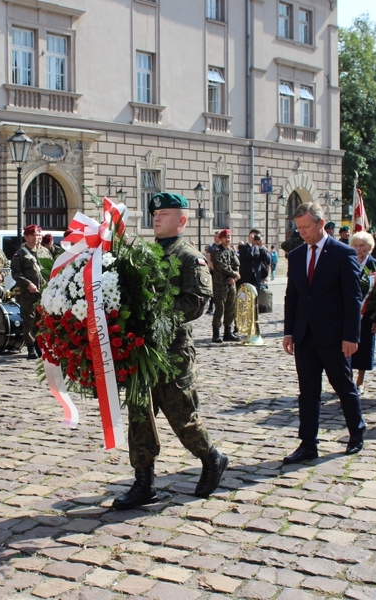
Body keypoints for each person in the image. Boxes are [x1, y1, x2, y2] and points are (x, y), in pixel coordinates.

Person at [113, 191, 228, 510]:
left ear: (182, 220)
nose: (157, 217)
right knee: (139, 415)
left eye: (164, 213)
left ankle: (212, 458)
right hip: (141, 349)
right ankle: (143, 483)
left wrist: (154, 311)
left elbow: (197, 303)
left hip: (172, 352)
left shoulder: (190, 256)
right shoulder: (145, 253)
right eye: (155, 213)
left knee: (182, 417)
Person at [283, 202, 366, 463]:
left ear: (321, 223)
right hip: (305, 336)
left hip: (334, 336)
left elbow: (353, 297)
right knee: (308, 391)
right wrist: (289, 331)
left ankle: (356, 432)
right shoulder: (296, 255)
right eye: (299, 228)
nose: (302, 232)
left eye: (306, 227)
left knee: (343, 386)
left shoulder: (343, 253)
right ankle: (308, 443)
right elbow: (292, 296)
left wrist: (351, 336)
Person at [10, 224, 51, 359]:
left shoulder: (45, 252)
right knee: (30, 319)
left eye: (38, 235)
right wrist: (28, 283)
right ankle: (31, 347)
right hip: (28, 293)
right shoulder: (20, 254)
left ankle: (40, 345)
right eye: (33, 235)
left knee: (42, 320)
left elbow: (51, 268)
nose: (36, 238)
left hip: (44, 293)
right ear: (26, 237)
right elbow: (16, 273)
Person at [349, 231, 376, 395]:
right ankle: (347, 380)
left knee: (365, 347)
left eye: (362, 245)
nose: (358, 249)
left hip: (368, 315)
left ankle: (360, 381)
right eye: (355, 245)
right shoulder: (348, 262)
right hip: (349, 314)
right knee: (347, 346)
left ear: (369, 247)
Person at [211, 229, 240, 343]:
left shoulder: (231, 251)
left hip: (231, 284)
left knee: (231, 308)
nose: (228, 240)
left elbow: (236, 263)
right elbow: (220, 266)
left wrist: (233, 277)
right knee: (220, 308)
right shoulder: (216, 250)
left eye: (229, 237)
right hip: (220, 284)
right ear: (221, 238)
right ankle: (216, 333)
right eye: (225, 238)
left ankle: (228, 332)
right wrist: (234, 274)